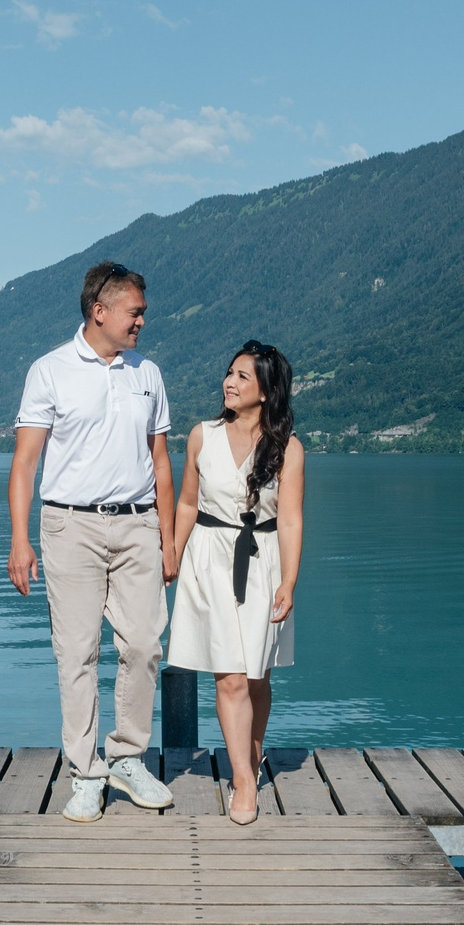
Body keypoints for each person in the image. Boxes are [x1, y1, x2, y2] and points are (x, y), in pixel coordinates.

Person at [8, 262, 182, 823]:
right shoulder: (50, 371)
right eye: (135, 312)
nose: (142, 322)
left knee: (144, 645)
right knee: (78, 653)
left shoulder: (148, 373)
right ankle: (86, 774)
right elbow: (26, 462)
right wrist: (19, 539)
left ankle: (127, 758)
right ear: (99, 311)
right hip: (70, 527)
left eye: (143, 313)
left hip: (138, 524)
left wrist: (169, 538)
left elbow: (160, 461)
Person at [164, 341, 304, 825]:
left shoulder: (288, 449)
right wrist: (172, 554)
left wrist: (289, 580)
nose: (230, 382)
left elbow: (290, 519)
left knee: (258, 675)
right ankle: (243, 779)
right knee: (230, 676)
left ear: (266, 391)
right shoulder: (201, 436)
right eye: (229, 373)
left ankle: (252, 754)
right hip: (209, 560)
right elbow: (187, 502)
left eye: (243, 376)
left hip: (262, 563)